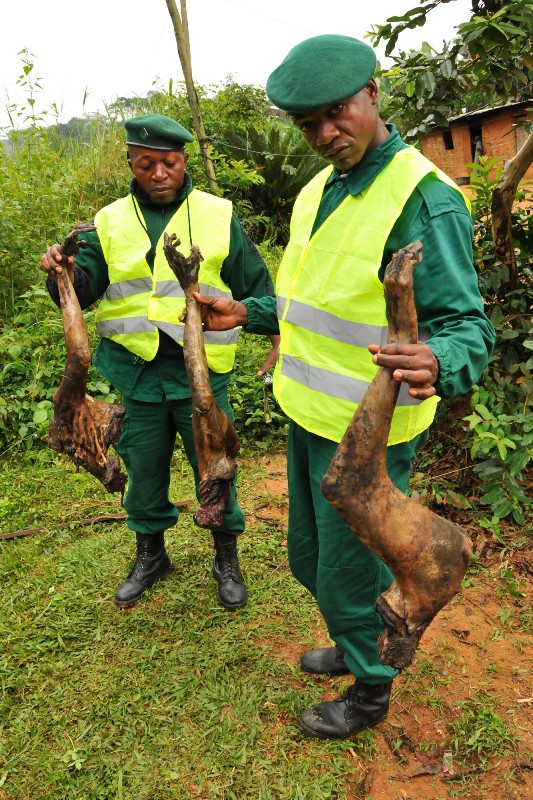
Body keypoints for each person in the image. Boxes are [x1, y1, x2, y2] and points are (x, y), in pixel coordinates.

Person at [194, 35, 495, 739]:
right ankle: (351, 640)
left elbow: (466, 327)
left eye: (338, 113)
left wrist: (438, 359)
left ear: (372, 96)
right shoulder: (318, 188)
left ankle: (370, 686)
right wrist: (251, 312)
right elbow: (309, 298)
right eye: (308, 125)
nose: (326, 134)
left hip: (367, 438)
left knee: (349, 575)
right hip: (307, 414)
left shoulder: (424, 200)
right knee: (309, 558)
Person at [41, 113, 279, 611]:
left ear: (183, 161)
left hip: (204, 375)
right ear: (130, 162)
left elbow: (254, 282)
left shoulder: (216, 213)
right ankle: (151, 555)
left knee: (216, 468)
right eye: (146, 163)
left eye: (168, 162)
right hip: (137, 374)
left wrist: (273, 328)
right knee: (143, 474)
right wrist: (61, 274)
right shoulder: (108, 220)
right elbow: (84, 289)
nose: (158, 173)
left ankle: (226, 556)